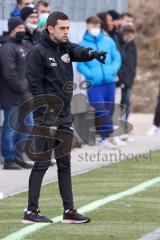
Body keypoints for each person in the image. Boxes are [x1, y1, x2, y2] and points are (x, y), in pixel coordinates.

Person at [22, 11, 106, 224]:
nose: (66, 31)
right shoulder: (38, 52)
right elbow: (35, 86)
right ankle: (31, 212)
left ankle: (69, 210)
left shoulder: (65, 47)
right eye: (62, 28)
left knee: (64, 164)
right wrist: (45, 114)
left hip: (64, 117)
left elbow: (78, 50)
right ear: (50, 28)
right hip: (46, 117)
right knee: (41, 164)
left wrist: (93, 53)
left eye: (68, 28)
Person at [77, 16, 123, 148]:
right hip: (94, 84)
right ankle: (110, 134)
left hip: (109, 82)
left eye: (97, 26)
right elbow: (80, 65)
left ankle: (104, 138)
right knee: (100, 108)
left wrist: (112, 70)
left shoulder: (108, 41)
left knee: (109, 109)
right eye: (93, 26)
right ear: (87, 26)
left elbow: (116, 57)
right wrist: (90, 74)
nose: (95, 28)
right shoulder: (82, 44)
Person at [0, 18, 33, 170]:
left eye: (23, 27)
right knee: (10, 127)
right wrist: (21, 88)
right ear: (12, 28)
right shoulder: (7, 47)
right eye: (19, 27)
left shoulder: (25, 45)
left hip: (26, 94)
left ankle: (19, 156)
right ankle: (9, 159)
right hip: (12, 95)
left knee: (27, 124)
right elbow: (9, 73)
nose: (22, 30)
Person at [118, 24, 137, 130]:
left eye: (131, 32)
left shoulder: (132, 46)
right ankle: (121, 127)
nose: (129, 35)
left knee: (127, 104)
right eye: (127, 32)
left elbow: (133, 65)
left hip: (128, 81)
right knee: (123, 104)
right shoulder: (121, 46)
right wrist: (121, 79)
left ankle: (123, 126)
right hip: (121, 81)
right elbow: (121, 65)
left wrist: (131, 78)